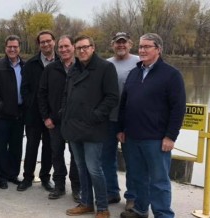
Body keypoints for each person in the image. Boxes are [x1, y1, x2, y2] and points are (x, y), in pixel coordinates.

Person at [118, 33, 186, 218]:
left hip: (156, 139)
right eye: (140, 47)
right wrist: (121, 129)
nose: (142, 50)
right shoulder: (134, 72)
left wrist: (171, 136)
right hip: (132, 137)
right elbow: (124, 104)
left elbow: (178, 108)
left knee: (159, 182)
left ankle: (163, 214)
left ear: (158, 49)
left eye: (147, 46)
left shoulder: (171, 75)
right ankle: (140, 210)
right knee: (138, 178)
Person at [62, 35, 119, 218]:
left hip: (94, 127)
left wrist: (95, 116)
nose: (82, 50)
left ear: (93, 48)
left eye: (85, 47)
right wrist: (65, 115)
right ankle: (86, 203)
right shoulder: (73, 69)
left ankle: (102, 208)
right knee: (81, 167)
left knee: (94, 168)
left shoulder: (105, 67)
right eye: (78, 48)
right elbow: (67, 95)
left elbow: (112, 97)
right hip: (73, 126)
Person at [38, 35, 80, 201]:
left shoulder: (81, 68)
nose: (63, 50)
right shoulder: (51, 69)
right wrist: (45, 117)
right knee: (57, 154)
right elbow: (41, 94)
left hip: (76, 121)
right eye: (61, 47)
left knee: (76, 155)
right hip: (54, 121)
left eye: (66, 46)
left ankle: (77, 188)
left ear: (73, 47)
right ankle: (59, 186)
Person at [17, 30, 56, 192]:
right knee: (31, 146)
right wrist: (30, 104)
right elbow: (24, 89)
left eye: (48, 41)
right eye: (42, 42)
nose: (46, 44)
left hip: (53, 114)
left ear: (54, 41)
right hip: (33, 113)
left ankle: (45, 177)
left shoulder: (61, 62)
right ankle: (27, 177)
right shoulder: (31, 64)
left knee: (49, 147)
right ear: (39, 44)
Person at [104, 32, 140, 209]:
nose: (121, 45)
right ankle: (111, 192)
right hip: (108, 119)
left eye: (124, 42)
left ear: (130, 44)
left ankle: (132, 197)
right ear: (112, 45)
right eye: (117, 43)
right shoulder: (107, 64)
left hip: (130, 120)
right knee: (106, 158)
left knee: (131, 160)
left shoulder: (140, 62)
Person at [0, 35, 25, 189]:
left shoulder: (25, 66)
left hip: (19, 113)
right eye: (10, 47)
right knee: (1, 146)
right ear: (5, 48)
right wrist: (0, 105)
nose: (12, 49)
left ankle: (13, 174)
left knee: (16, 145)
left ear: (19, 48)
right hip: (2, 114)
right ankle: (1, 176)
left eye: (15, 46)